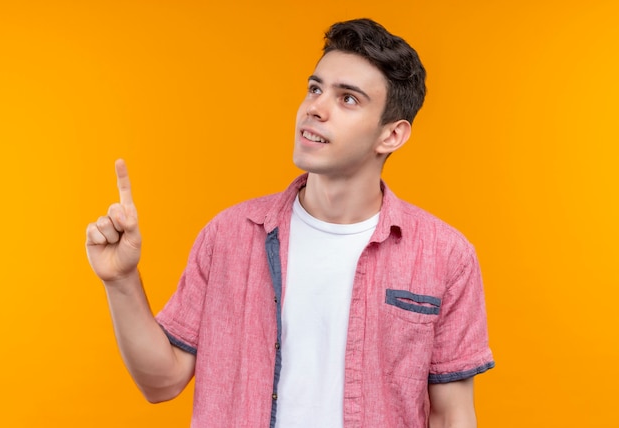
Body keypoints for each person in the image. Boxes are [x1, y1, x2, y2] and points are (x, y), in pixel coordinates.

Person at [86, 18, 494, 428]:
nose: (315, 107)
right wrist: (120, 281)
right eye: (315, 89)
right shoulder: (229, 235)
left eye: (348, 99)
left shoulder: (445, 255)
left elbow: (452, 414)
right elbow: (162, 382)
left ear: (391, 136)